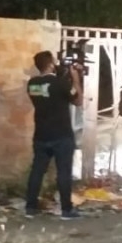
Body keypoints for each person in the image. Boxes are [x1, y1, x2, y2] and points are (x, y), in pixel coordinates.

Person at [25, 51, 83, 220]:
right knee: (63, 172)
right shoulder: (60, 82)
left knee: (37, 171)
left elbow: (48, 94)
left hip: (41, 135)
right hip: (61, 135)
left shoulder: (32, 84)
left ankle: (30, 207)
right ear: (51, 64)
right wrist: (75, 78)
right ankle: (66, 210)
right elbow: (78, 100)